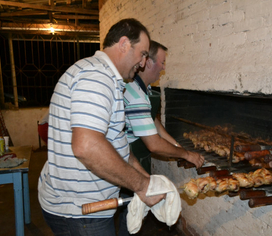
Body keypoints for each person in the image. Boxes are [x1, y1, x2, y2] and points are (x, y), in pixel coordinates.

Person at [38, 18, 165, 236]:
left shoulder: (106, 79)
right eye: (143, 54)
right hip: (80, 211)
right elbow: (86, 146)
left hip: (83, 206)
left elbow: (118, 146)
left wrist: (148, 180)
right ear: (124, 44)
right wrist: (142, 186)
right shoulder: (97, 77)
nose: (143, 63)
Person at [117, 41, 204, 236]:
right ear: (147, 62)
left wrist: (176, 146)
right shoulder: (135, 94)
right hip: (126, 162)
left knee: (132, 212)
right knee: (129, 216)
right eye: (162, 63)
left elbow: (153, 122)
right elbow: (154, 144)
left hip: (134, 159)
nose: (164, 68)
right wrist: (187, 154)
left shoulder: (144, 90)